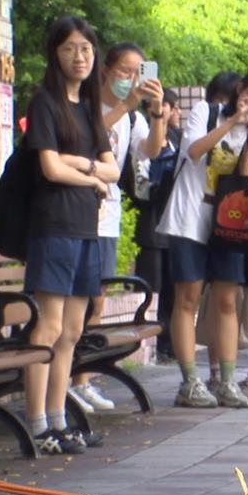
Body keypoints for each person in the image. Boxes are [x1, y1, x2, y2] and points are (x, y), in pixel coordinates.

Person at [22, 16, 117, 454]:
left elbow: (113, 169)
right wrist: (93, 177)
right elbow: (48, 167)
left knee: (73, 329)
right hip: (53, 226)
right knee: (49, 325)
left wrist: (83, 167)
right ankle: (37, 425)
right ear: (54, 54)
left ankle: (60, 420)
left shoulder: (89, 108)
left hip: (85, 228)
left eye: (85, 48)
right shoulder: (44, 102)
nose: (79, 56)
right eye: (69, 49)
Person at [156, 71, 248, 409]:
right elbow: (194, 151)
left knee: (227, 300)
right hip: (190, 215)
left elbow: (246, 181)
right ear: (239, 91)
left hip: (229, 221)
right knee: (188, 298)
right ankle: (190, 381)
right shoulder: (204, 113)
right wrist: (232, 121)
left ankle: (226, 381)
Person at [69, 42, 167, 413]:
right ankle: (69, 379)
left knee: (96, 300)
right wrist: (127, 105)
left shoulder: (132, 117)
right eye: (125, 71)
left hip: (107, 217)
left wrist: (156, 112)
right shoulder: (85, 105)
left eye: (138, 72)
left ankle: (82, 380)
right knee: (78, 301)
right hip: (78, 212)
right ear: (106, 70)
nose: (130, 79)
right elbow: (85, 137)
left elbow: (152, 151)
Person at [198, 70, 248, 405]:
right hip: (225, 222)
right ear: (239, 89)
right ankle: (217, 374)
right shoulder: (219, 120)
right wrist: (238, 123)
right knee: (222, 298)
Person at [131, 87, 182, 364]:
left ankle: (169, 342)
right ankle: (152, 343)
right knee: (152, 287)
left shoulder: (178, 138)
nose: (174, 114)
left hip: (172, 224)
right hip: (150, 222)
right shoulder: (143, 132)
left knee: (173, 288)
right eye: (170, 108)